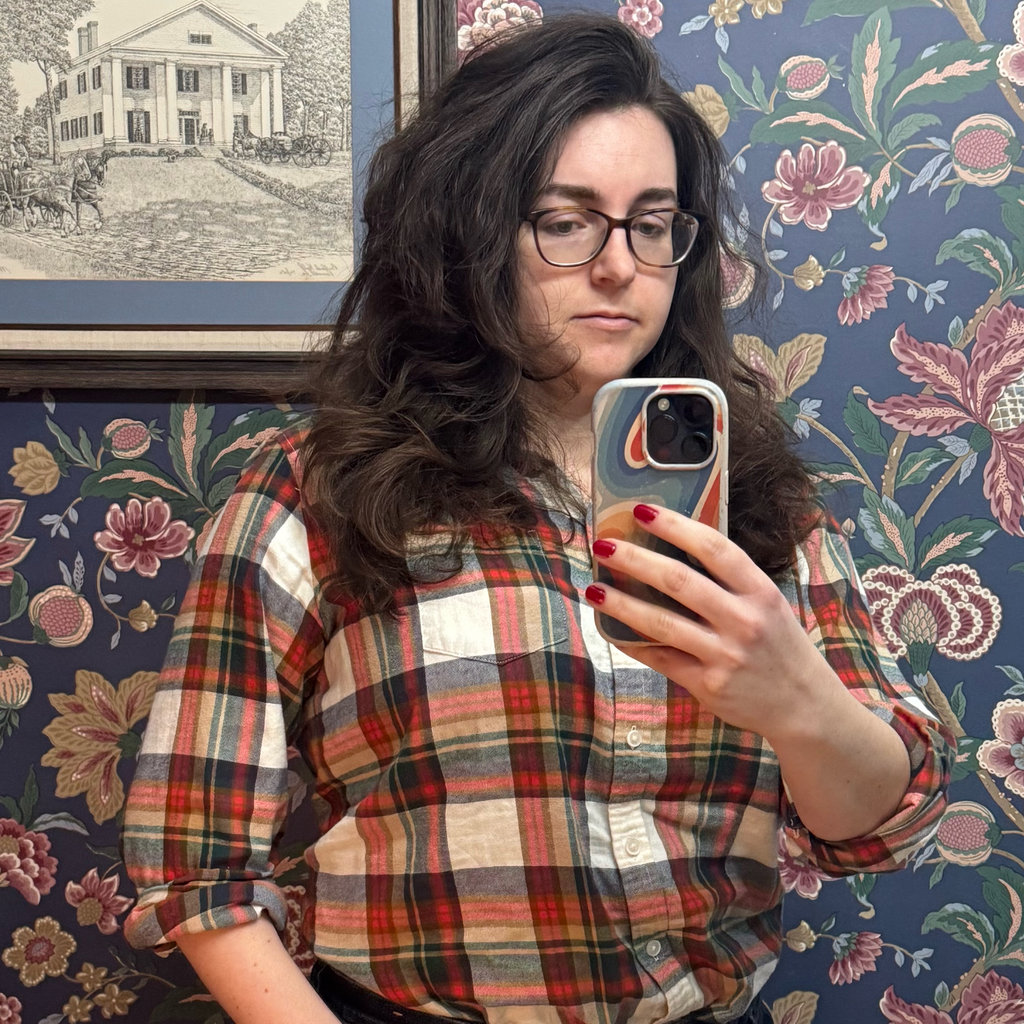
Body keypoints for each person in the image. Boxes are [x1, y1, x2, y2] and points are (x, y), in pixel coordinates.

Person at [121, 13, 953, 1024]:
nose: (619, 266)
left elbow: (879, 829)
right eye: (565, 220)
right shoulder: (319, 490)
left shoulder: (758, 499)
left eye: (653, 224)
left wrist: (798, 702)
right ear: (470, 231)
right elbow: (194, 860)